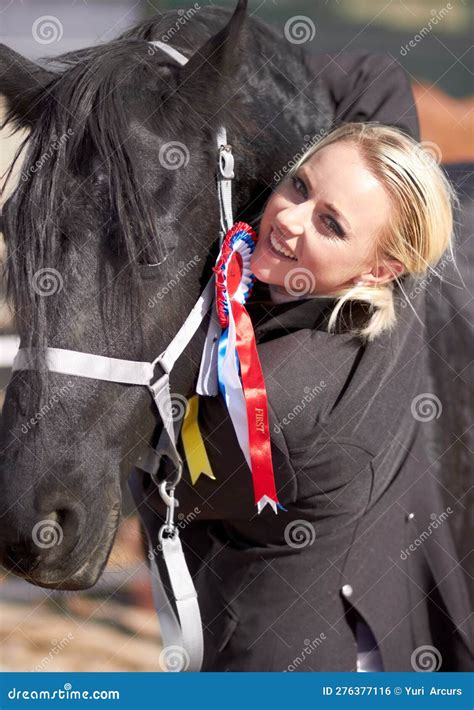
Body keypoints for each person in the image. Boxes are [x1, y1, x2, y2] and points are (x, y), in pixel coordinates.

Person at [131, 121, 473, 672]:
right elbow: (377, 77)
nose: (288, 219)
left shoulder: (278, 404)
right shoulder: (401, 286)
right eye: (299, 185)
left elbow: (165, 489)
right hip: (378, 612)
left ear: (382, 267)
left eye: (329, 224)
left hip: (279, 660)